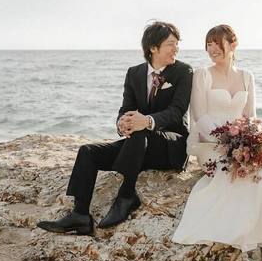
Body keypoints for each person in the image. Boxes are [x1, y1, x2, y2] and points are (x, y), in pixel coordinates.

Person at [172, 25, 262, 261]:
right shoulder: (202, 75)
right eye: (208, 44)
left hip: (240, 143)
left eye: (217, 43)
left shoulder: (247, 76)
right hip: (211, 146)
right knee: (253, 176)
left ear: (233, 44)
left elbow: (252, 117)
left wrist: (252, 141)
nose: (212, 49)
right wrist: (228, 141)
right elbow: (200, 118)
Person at [37, 21, 193, 235]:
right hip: (140, 146)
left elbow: (177, 111)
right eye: (170, 44)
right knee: (88, 152)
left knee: (140, 133)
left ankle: (127, 195)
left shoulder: (184, 71)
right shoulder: (134, 73)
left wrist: (145, 121)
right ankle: (80, 215)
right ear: (153, 48)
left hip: (170, 146)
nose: (176, 48)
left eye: (177, 44)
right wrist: (122, 124)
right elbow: (126, 108)